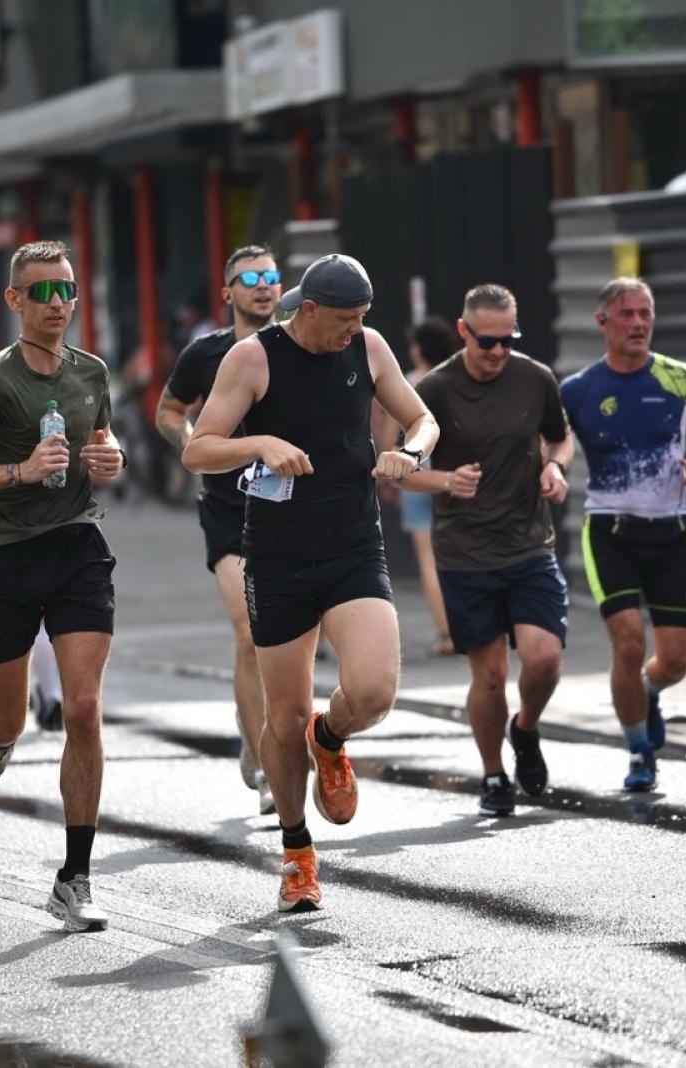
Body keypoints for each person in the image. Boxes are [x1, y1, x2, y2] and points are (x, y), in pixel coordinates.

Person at [183, 253, 439, 912]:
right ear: (310, 310)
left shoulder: (370, 346)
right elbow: (198, 447)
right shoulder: (253, 360)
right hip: (277, 556)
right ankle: (297, 852)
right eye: (344, 321)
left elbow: (423, 419)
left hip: (353, 543)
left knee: (376, 691)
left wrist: (409, 453)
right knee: (284, 714)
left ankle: (332, 737)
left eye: (362, 321)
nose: (353, 333)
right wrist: (259, 443)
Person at [0, 239, 127, 930]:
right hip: (4, 557)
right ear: (13, 301)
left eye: (64, 290)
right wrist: (18, 472)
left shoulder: (92, 371)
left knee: (85, 708)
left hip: (76, 546)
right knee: (9, 721)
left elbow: (102, 444)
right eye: (40, 292)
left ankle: (75, 877)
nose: (56, 304)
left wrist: (109, 456)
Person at [402, 285, 574, 817]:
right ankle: (494, 774)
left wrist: (554, 465)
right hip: (465, 553)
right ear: (463, 331)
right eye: (487, 342)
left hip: (528, 543)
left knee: (544, 657)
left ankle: (525, 729)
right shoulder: (435, 390)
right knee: (492, 675)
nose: (498, 351)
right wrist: (446, 480)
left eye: (507, 340)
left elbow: (560, 437)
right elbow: (401, 471)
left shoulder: (534, 377)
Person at [560, 277, 686, 793]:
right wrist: (554, 468)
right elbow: (560, 443)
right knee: (628, 644)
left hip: (673, 532)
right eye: (627, 314)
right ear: (603, 322)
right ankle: (638, 750)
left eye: (645, 314)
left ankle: (649, 689)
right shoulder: (578, 389)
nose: (638, 324)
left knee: (674, 661)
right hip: (610, 530)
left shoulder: (681, 379)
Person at [156, 244, 284, 816]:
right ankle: (263, 760)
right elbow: (168, 408)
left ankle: (264, 728)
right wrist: (191, 444)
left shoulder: (298, 344)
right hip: (229, 510)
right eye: (249, 278)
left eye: (272, 276)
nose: (263, 286)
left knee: (285, 638)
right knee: (250, 632)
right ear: (227, 293)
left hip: (290, 508)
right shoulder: (205, 353)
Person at [391, 317, 459, 658]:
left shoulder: (408, 383)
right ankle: (467, 624)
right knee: (462, 550)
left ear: (418, 349)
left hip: (416, 475)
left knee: (428, 557)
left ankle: (447, 634)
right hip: (453, 474)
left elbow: (393, 434)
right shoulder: (455, 380)